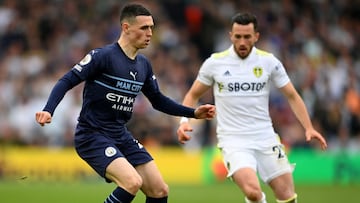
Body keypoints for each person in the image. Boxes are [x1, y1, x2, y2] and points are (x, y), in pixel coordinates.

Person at [35, 3, 215, 203]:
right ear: (126, 28)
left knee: (160, 190)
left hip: (120, 134)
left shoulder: (143, 65)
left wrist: (193, 113)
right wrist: (48, 110)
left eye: (151, 28)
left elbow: (158, 100)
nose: (150, 33)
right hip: (92, 135)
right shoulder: (102, 56)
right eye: (144, 28)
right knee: (132, 182)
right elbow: (66, 80)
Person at [177, 12, 327, 203]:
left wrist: (309, 127)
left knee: (287, 196)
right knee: (253, 192)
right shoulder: (215, 63)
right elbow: (192, 95)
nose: (242, 42)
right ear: (230, 35)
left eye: (247, 36)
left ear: (256, 36)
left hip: (265, 137)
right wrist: (184, 121)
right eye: (237, 36)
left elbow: (292, 95)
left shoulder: (269, 62)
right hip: (233, 140)